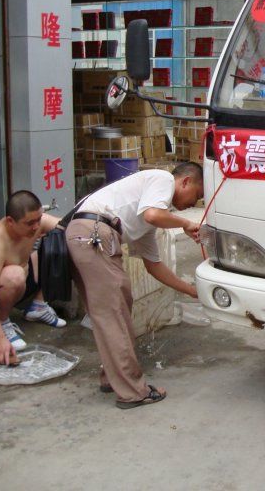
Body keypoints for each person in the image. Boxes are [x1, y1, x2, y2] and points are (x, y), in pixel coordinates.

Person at [66, 162, 203, 409]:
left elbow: (154, 266)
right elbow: (153, 214)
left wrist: (192, 291)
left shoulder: (147, 218)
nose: (194, 203)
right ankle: (132, 391)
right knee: (114, 314)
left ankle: (113, 378)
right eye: (197, 195)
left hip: (86, 234)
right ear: (186, 182)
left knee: (113, 311)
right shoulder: (162, 179)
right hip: (95, 234)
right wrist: (185, 223)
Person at [0, 191, 66, 365]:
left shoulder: (36, 222)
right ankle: (2, 323)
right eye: (29, 223)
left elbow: (70, 227)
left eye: (39, 220)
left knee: (65, 242)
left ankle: (38, 306)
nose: (36, 226)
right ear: (10, 221)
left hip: (21, 282)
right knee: (14, 275)